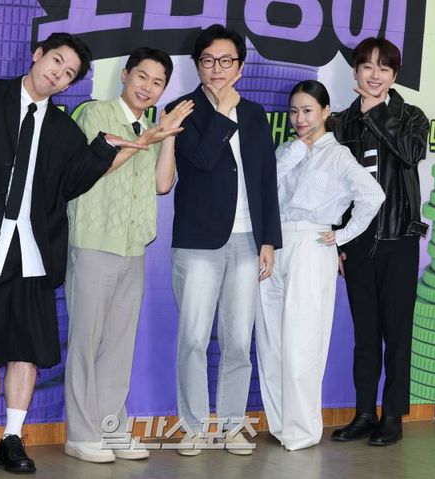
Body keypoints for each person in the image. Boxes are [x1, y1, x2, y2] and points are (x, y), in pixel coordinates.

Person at [0, 33, 162, 473]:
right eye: (56, 61)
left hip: (35, 251)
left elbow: (74, 181)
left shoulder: (63, 130)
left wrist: (111, 148)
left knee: (26, 348)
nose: (58, 75)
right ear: (37, 55)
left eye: (68, 74)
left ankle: (13, 438)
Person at [63, 47, 193, 463]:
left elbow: (162, 185)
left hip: (133, 248)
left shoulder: (152, 128)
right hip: (93, 242)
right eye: (142, 77)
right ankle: (81, 434)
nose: (148, 88)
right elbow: (93, 167)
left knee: (119, 345)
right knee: (86, 342)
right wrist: (145, 140)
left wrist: (167, 137)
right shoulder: (95, 113)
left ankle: (111, 428)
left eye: (158, 83)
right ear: (125, 75)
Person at [165, 24, 282, 456]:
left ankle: (233, 426)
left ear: (240, 67)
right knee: (194, 338)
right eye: (209, 60)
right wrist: (220, 112)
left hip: (249, 241)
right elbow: (198, 160)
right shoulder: (181, 110)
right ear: (197, 65)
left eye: (226, 60)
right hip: (198, 242)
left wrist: (269, 240)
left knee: (237, 341)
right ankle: (194, 427)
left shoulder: (253, 114)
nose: (217, 68)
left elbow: (266, 179)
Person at [256, 80, 384, 451]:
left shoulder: (339, 155)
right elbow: (265, 190)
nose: (300, 118)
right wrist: (297, 149)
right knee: (271, 341)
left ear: (326, 112)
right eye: (294, 111)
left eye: (308, 111)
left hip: (312, 247)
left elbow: (372, 196)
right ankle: (281, 424)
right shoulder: (286, 150)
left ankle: (302, 431)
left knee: (302, 342)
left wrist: (342, 236)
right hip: (273, 245)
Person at [331, 37, 429, 446]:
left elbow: (410, 153)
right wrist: (338, 241)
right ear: (355, 71)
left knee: (397, 334)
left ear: (394, 76)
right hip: (357, 242)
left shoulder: (411, 117)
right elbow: (334, 187)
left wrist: (377, 113)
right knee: (365, 334)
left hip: (398, 238)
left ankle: (392, 417)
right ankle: (364, 414)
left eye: (384, 68)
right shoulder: (340, 123)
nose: (374, 75)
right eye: (367, 66)